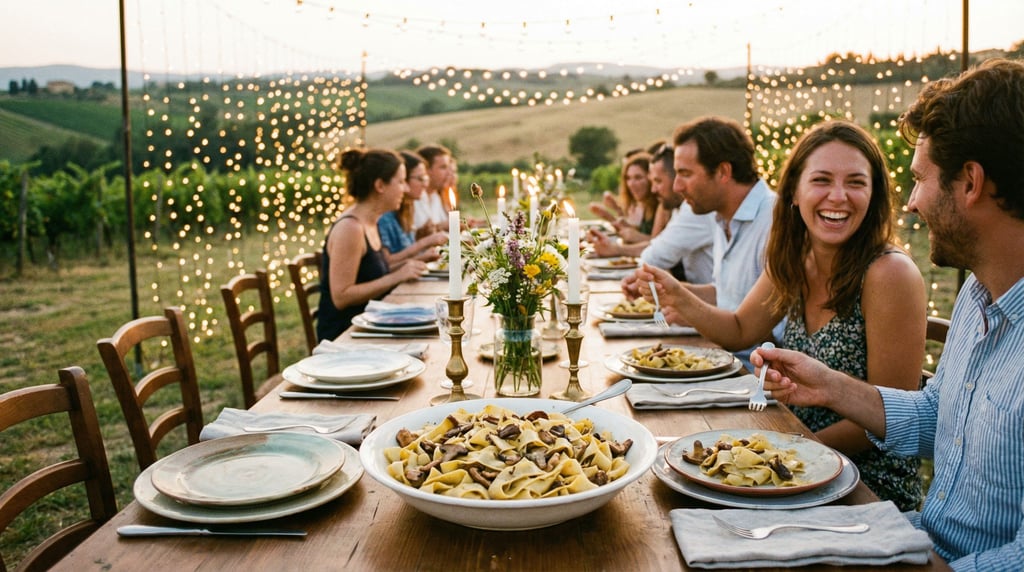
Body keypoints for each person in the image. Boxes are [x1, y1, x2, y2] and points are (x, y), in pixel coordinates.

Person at [757, 59, 1024, 570]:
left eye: (920, 179)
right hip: (917, 535)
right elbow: (940, 417)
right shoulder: (978, 295)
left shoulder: (897, 273)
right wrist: (831, 386)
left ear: (970, 182)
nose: (912, 204)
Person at [639, 120, 927, 510]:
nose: (838, 196)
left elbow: (891, 416)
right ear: (793, 191)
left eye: (856, 182)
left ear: (873, 194)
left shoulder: (889, 273)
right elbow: (740, 329)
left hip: (866, 488)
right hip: (790, 461)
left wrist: (786, 453)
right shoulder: (793, 259)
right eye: (822, 180)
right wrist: (679, 296)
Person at [624, 116, 776, 366]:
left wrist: (681, 299)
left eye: (685, 174)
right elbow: (724, 293)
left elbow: (759, 331)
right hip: (724, 358)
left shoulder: (774, 218)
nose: (677, 186)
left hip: (756, 377)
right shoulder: (719, 216)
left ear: (723, 172)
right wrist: (670, 291)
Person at [317, 148, 428, 342]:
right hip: (345, 336)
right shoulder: (351, 228)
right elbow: (342, 296)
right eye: (401, 182)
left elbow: (371, 273)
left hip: (371, 327)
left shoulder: (371, 221)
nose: (406, 189)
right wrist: (396, 277)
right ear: (380, 185)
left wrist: (410, 265)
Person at [377, 151, 448, 268]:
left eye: (425, 178)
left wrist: (422, 236)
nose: (425, 184)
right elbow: (386, 264)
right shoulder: (385, 216)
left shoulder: (407, 210)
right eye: (420, 178)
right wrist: (425, 242)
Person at [588, 152, 661, 249]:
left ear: (651, 178)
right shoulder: (645, 205)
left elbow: (661, 244)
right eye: (628, 178)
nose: (631, 184)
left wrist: (610, 216)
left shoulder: (663, 206)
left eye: (638, 177)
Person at [412, 144, 453, 239]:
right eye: (443, 167)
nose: (449, 173)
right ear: (426, 170)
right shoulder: (413, 199)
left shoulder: (435, 196)